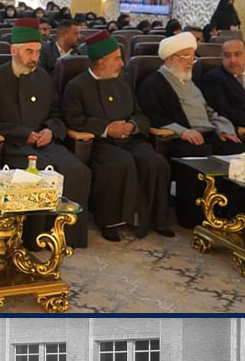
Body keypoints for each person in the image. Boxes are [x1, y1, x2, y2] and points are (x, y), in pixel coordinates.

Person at [0, 18, 92, 248]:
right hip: (15, 145)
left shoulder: (44, 78)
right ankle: (34, 239)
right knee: (36, 174)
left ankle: (67, 237)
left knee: (78, 171)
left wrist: (50, 130)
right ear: (14, 51)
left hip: (46, 143)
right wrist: (22, 134)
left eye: (37, 52)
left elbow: (57, 114)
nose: (34, 58)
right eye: (29, 52)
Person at [62, 31, 172, 241]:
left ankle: (154, 220)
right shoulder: (76, 86)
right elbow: (73, 118)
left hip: (131, 139)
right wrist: (106, 128)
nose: (122, 64)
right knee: (121, 163)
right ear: (101, 61)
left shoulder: (123, 83)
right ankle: (111, 222)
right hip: (101, 143)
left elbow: (140, 114)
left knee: (156, 162)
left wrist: (132, 125)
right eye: (117, 59)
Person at [137, 32, 245, 227]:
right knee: (198, 154)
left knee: (238, 152)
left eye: (193, 57)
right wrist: (183, 131)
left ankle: (230, 213)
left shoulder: (189, 80)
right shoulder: (154, 83)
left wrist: (224, 130)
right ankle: (195, 218)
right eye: (186, 56)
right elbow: (153, 116)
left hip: (208, 135)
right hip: (180, 139)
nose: (190, 62)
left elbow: (210, 111)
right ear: (170, 58)